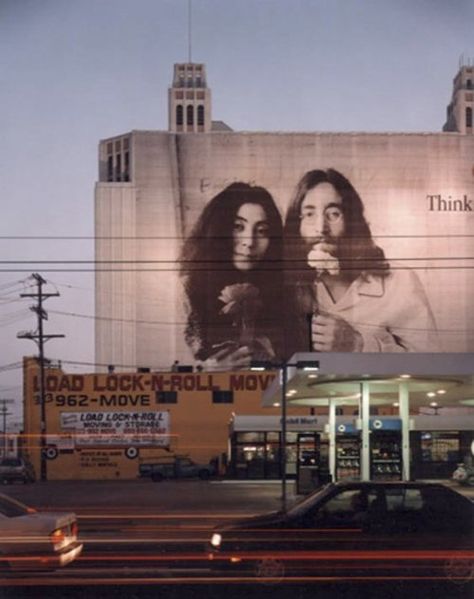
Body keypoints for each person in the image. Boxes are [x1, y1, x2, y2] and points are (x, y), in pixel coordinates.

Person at [283, 168, 439, 354]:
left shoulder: (400, 282)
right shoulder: (286, 287)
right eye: (309, 214)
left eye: (333, 214)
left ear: (352, 220)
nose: (321, 228)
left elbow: (431, 364)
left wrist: (359, 345)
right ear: (296, 226)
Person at [180, 182, 283, 369]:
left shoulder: (281, 292)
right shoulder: (184, 291)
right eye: (238, 227)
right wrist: (210, 371)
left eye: (262, 231)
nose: (249, 242)